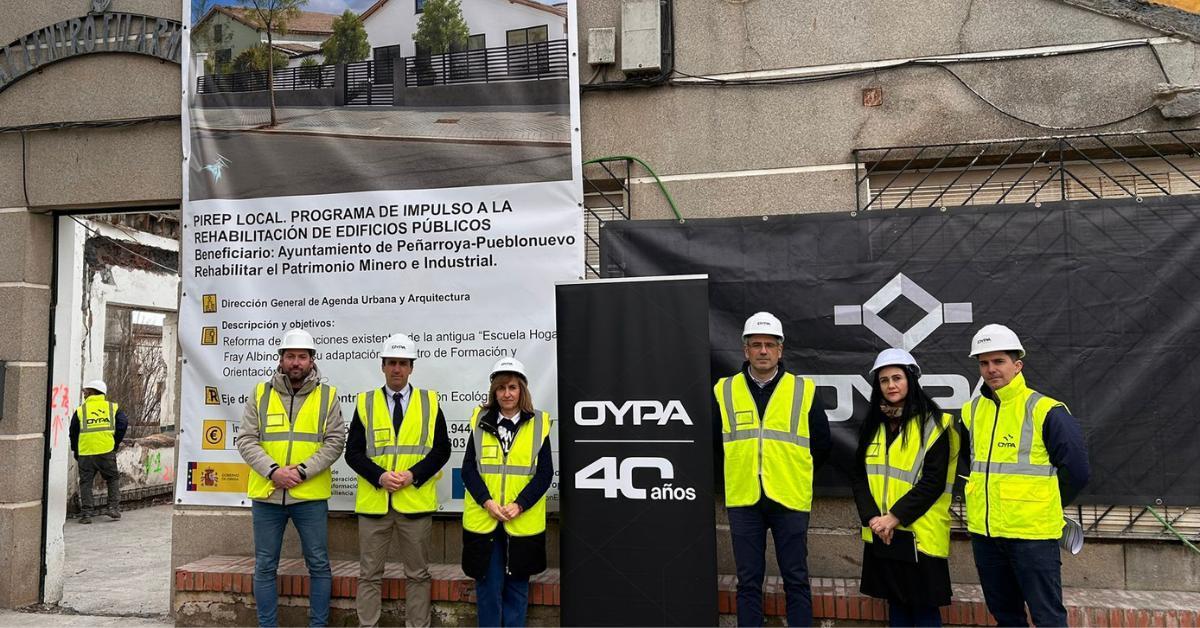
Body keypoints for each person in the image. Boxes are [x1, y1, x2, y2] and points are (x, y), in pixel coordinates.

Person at [961, 324, 1090, 627]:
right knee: (1006, 616)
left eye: (998, 361)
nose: (991, 369)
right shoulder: (971, 410)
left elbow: (1078, 471)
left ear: (1017, 365)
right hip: (987, 535)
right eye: (983, 362)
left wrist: (1043, 504)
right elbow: (971, 463)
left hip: (1032, 538)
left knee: (1048, 618)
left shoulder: (1046, 410)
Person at [713, 312, 831, 626]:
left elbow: (821, 444)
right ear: (745, 350)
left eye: (769, 345)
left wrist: (794, 473)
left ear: (780, 350)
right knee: (748, 581)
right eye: (756, 345)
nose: (763, 351)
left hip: (789, 499)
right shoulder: (723, 391)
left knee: (796, 579)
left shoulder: (803, 390)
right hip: (744, 500)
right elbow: (714, 444)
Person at [236, 328, 346, 627]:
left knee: (319, 565)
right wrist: (273, 471)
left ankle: (318, 625)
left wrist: (300, 471)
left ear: (312, 360)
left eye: (302, 356)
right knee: (265, 566)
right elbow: (246, 439)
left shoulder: (328, 396)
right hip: (267, 494)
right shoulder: (260, 393)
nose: (296, 362)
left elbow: (335, 442)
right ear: (281, 360)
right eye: (290, 356)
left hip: (308, 495)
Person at [345, 333, 450, 628]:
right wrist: (379, 476)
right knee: (369, 575)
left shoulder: (429, 401)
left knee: (417, 575)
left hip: (414, 504)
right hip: (374, 504)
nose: (397, 369)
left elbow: (442, 450)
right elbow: (352, 453)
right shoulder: (365, 402)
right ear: (382, 365)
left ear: (411, 367)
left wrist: (412, 475)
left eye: (403, 363)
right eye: (391, 363)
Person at [851, 348, 958, 626]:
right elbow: (859, 476)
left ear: (911, 380)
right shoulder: (874, 425)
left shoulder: (935, 425)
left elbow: (932, 482)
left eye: (897, 378)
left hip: (919, 535)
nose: (891, 385)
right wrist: (873, 518)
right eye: (884, 380)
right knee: (896, 605)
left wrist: (894, 517)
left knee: (923, 610)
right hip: (883, 534)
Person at [461, 357, 553, 628]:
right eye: (501, 388)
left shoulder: (539, 423)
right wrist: (487, 502)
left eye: (512, 387)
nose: (507, 394)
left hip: (520, 522)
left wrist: (519, 505)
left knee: (516, 590)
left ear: (522, 389)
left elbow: (544, 474)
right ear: (494, 392)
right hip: (485, 521)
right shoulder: (480, 421)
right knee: (488, 590)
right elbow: (468, 470)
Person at [70, 379, 128, 524]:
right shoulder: (112, 408)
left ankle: (86, 514)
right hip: (106, 450)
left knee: (86, 483)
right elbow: (123, 423)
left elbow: (73, 432)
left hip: (86, 452)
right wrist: (114, 442)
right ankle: (113, 508)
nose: (84, 394)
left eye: (85, 392)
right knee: (112, 479)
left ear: (91, 392)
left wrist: (76, 450)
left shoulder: (80, 410)